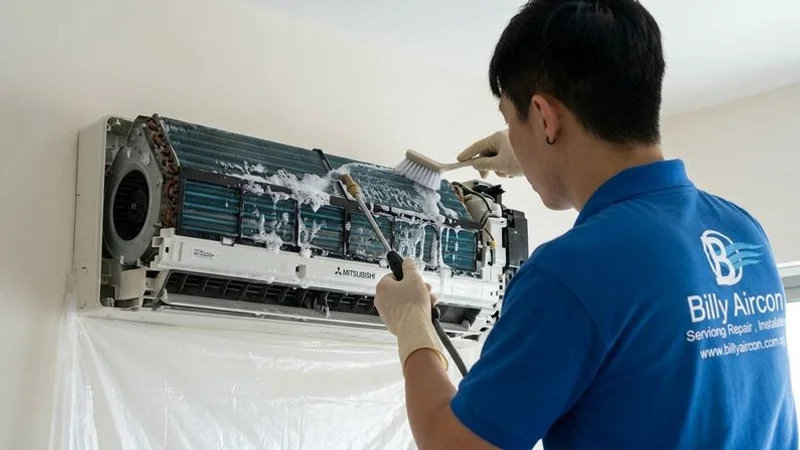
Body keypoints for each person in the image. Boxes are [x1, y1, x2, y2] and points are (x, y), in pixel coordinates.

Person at [373, 1, 799, 449]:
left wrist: (411, 322)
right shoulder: (742, 229)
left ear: (544, 117)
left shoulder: (569, 273)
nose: (512, 133)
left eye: (509, 119)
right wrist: (540, 152)